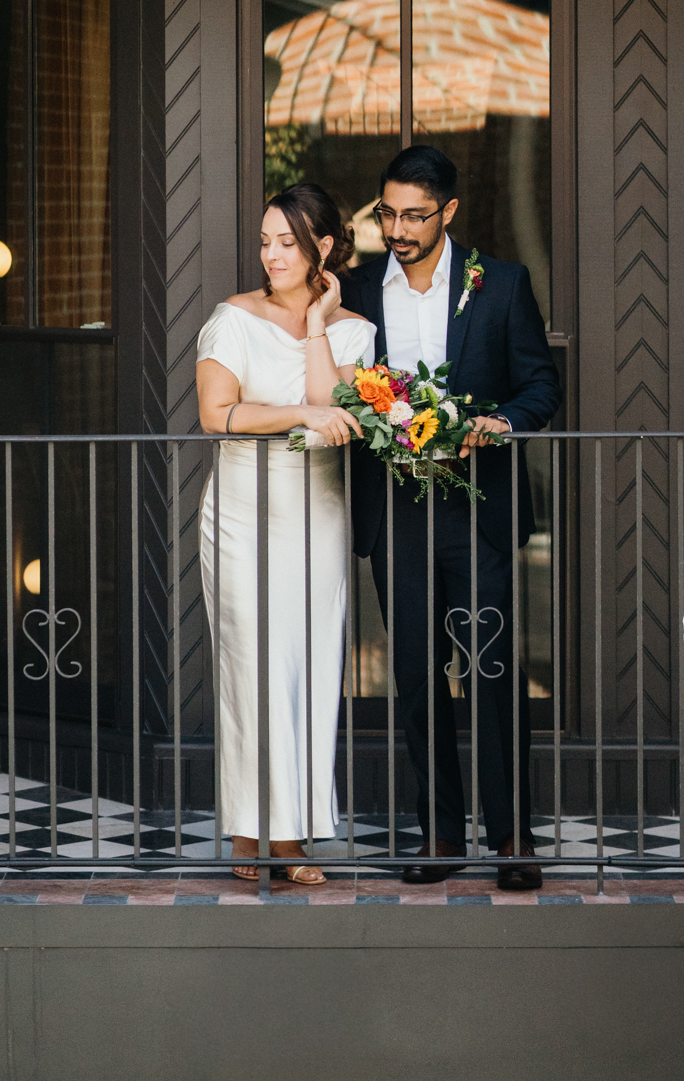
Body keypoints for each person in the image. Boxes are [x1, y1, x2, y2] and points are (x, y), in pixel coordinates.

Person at [340, 145, 562, 890]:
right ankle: (437, 831)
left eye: (414, 215)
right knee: (414, 673)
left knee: (492, 670)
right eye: (388, 213)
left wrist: (499, 424)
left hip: (480, 511)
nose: (398, 229)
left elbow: (540, 385)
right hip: (395, 508)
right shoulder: (358, 289)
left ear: (449, 212)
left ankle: (511, 837)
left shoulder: (499, 284)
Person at [196, 183, 375, 884]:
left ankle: (278, 832)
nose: (271, 254)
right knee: (251, 667)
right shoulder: (230, 320)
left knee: (307, 665)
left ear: (322, 249)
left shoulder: (354, 331)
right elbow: (218, 415)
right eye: (266, 240)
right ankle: (265, 836)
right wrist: (297, 413)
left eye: (287, 242)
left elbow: (335, 414)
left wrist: (318, 327)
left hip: (317, 515)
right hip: (240, 512)